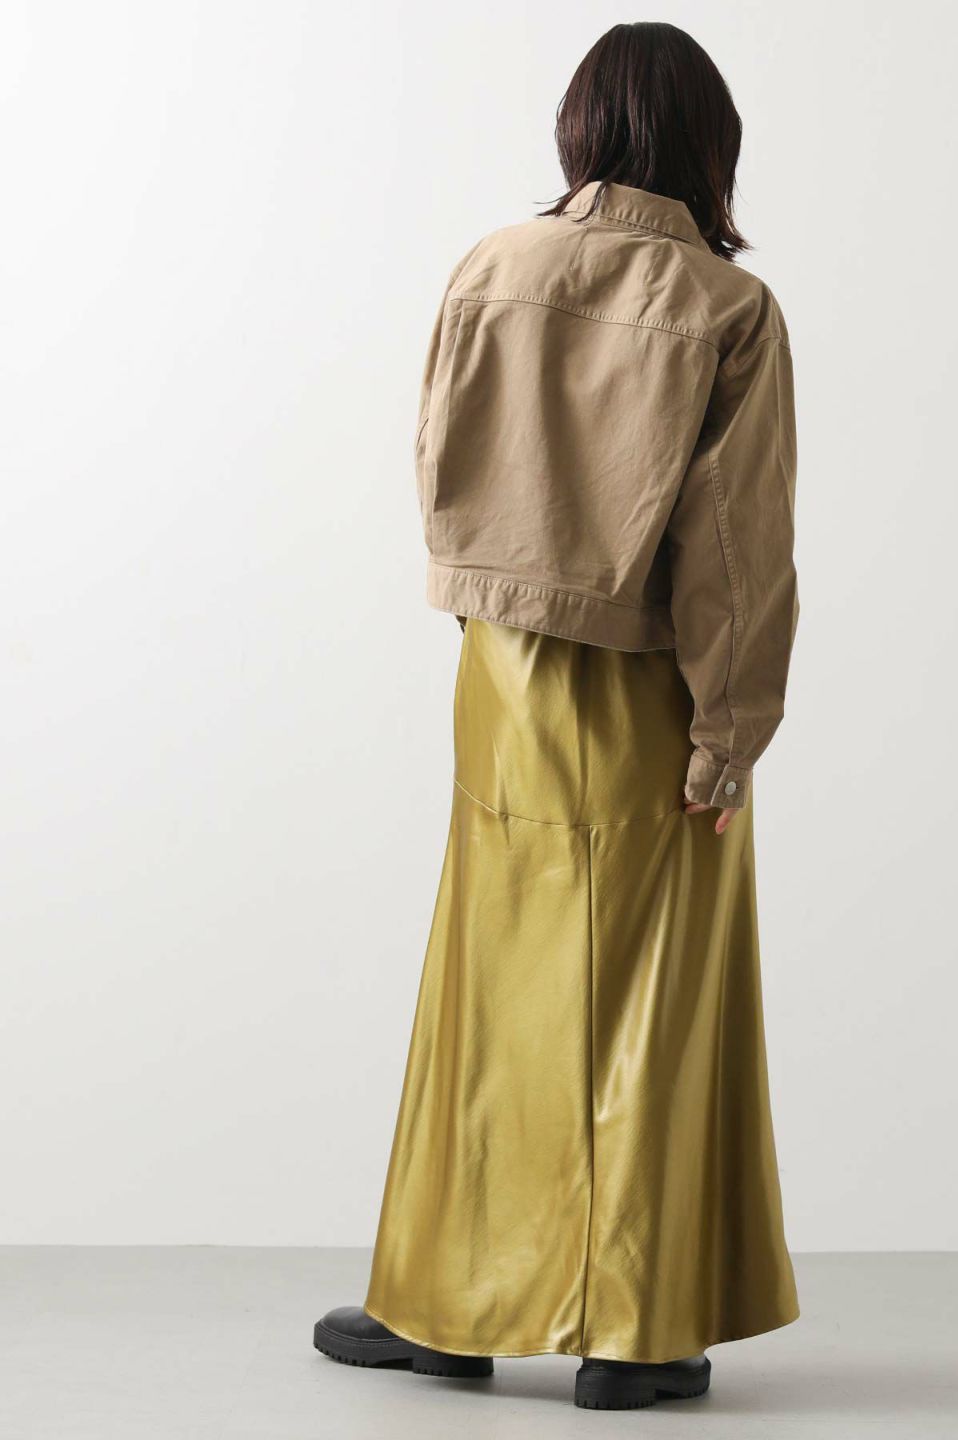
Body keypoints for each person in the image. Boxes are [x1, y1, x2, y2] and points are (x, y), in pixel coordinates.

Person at [314, 21, 800, 1413]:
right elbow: (735, 548)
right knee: (645, 996)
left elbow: (437, 457)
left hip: (500, 678)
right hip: (646, 688)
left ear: (579, 130)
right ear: (710, 146)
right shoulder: (727, 307)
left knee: (488, 987)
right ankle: (633, 1336)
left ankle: (446, 1308)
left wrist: (497, 595)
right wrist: (729, 735)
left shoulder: (493, 265)